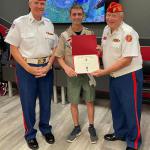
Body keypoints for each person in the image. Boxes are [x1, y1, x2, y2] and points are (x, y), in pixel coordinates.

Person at [5, 0, 58, 149]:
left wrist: (48, 65)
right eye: (36, 2)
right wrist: (28, 68)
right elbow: (13, 49)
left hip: (46, 68)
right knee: (28, 103)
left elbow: (55, 48)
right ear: (29, 3)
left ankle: (46, 129)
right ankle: (30, 134)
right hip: (26, 69)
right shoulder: (19, 23)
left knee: (46, 101)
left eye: (42, 3)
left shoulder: (49, 23)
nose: (40, 6)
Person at [91, 2, 143, 150]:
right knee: (117, 107)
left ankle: (133, 142)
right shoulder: (107, 29)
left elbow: (126, 60)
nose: (110, 18)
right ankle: (120, 133)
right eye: (108, 15)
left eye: (114, 15)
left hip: (128, 76)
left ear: (121, 16)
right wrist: (100, 49)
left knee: (131, 109)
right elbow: (110, 49)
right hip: (113, 76)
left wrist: (103, 72)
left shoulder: (128, 32)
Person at [55, 4, 98, 144]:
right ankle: (76, 127)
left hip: (87, 74)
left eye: (79, 14)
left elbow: (94, 53)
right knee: (73, 102)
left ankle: (91, 127)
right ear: (70, 16)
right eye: (74, 14)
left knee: (90, 100)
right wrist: (66, 68)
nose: (77, 17)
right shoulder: (64, 36)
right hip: (72, 75)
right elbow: (59, 56)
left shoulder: (90, 34)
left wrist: (98, 51)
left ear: (83, 16)